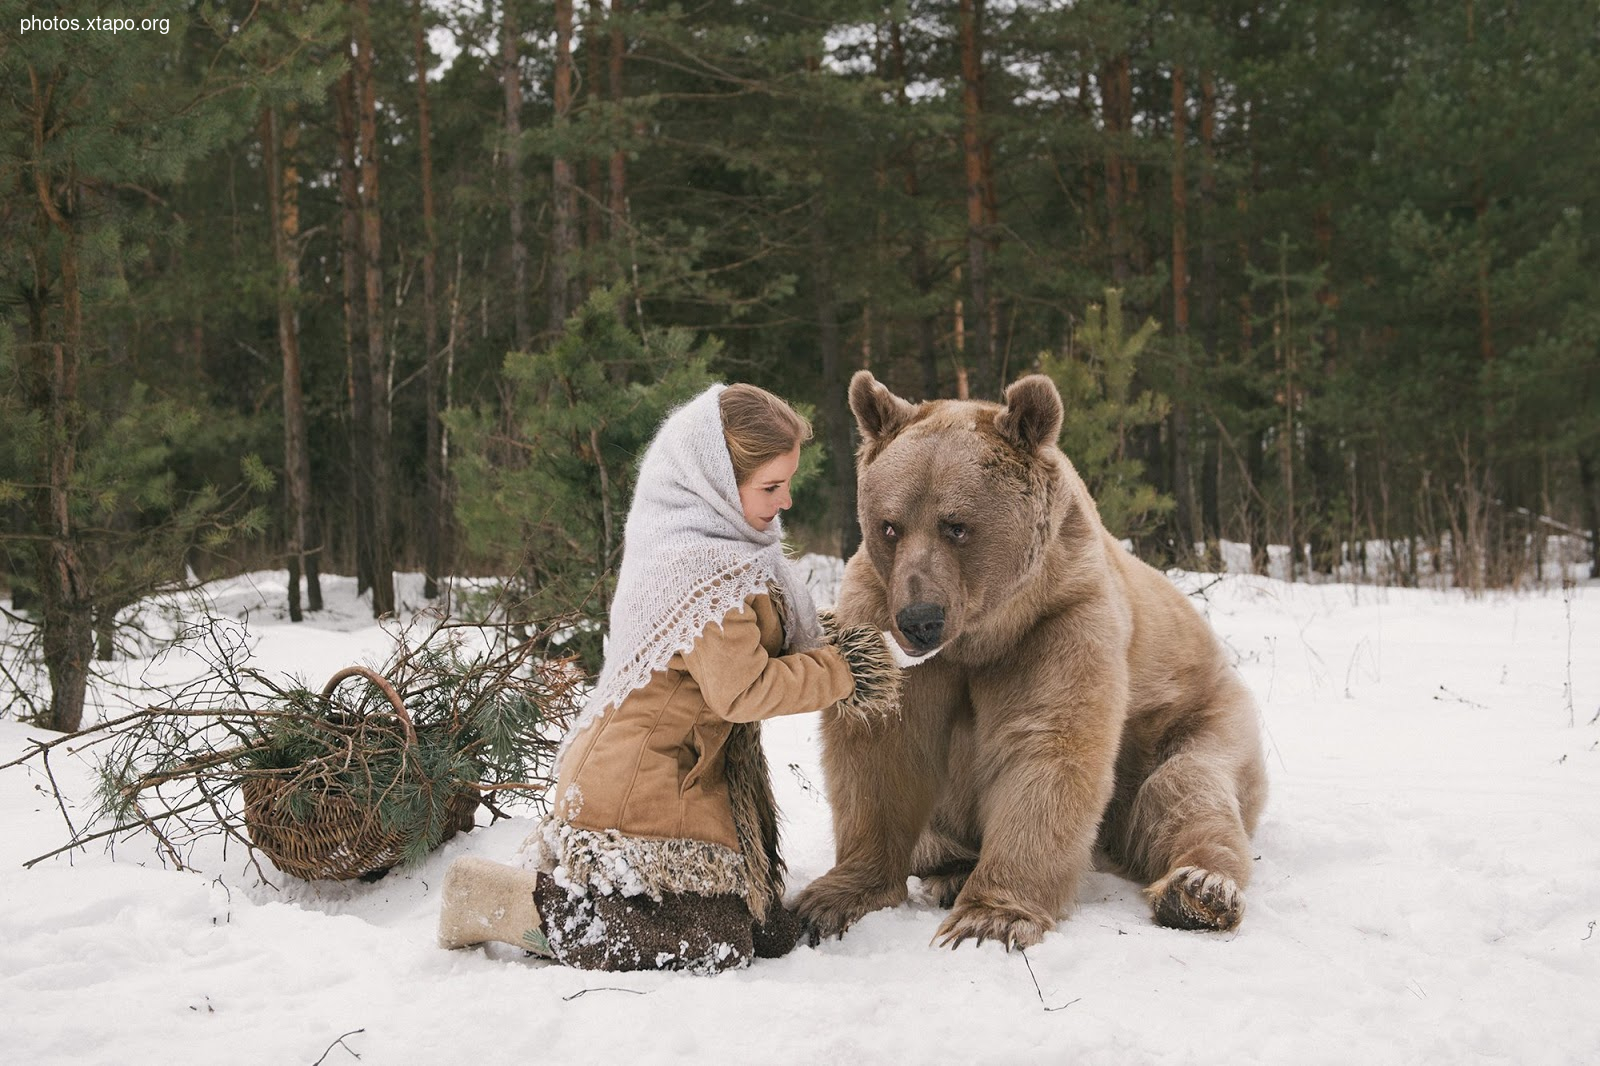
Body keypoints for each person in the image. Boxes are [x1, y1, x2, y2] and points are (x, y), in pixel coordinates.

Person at [437, 383, 900, 973]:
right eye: (770, 487)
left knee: (761, 932)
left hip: (680, 769)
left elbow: (761, 642)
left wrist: (851, 641)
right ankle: (502, 902)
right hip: (640, 782)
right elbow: (744, 688)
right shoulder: (704, 568)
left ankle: (606, 902)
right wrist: (847, 668)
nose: (785, 502)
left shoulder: (719, 543)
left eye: (788, 483)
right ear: (715, 483)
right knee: (712, 941)